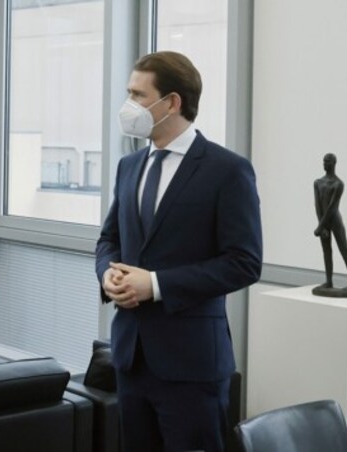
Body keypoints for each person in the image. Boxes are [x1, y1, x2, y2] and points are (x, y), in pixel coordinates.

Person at [95, 51, 262, 452]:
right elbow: (109, 240)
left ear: (172, 102)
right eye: (129, 94)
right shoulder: (129, 165)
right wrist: (107, 274)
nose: (128, 105)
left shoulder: (227, 170)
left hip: (193, 365)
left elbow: (244, 262)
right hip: (131, 358)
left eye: (138, 95)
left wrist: (155, 284)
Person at [313, 153, 347, 296]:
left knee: (344, 250)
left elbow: (332, 207)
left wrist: (320, 227)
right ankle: (329, 281)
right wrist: (320, 225)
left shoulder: (338, 184)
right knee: (326, 251)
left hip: (335, 221)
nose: (324, 163)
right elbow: (317, 205)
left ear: (334, 163)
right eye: (323, 161)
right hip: (322, 220)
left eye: (327, 161)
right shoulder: (317, 182)